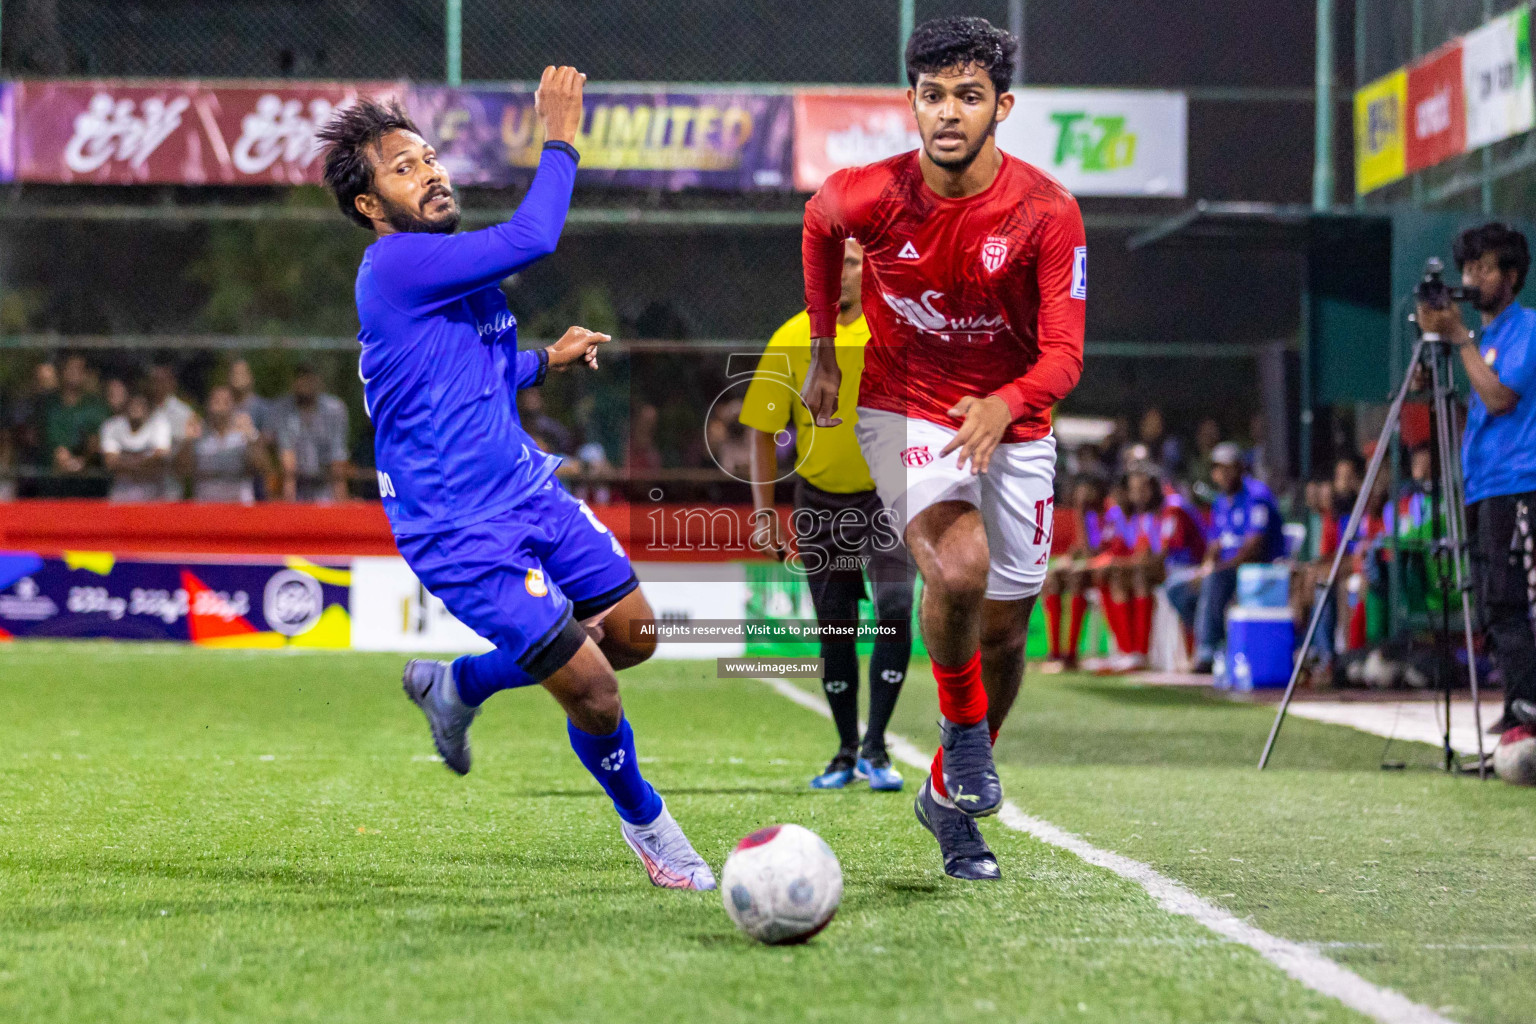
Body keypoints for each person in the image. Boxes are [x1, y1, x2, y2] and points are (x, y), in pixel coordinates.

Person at [318, 72, 714, 889]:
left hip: (530, 493)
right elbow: (536, 235)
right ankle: (652, 830)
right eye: (403, 167)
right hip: (457, 529)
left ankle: (458, 684)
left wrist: (544, 361)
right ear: (369, 204)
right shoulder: (394, 268)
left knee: (636, 635)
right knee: (596, 693)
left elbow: (474, 372)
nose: (430, 172)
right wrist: (562, 137)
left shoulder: (453, 278)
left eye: (430, 157)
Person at [801, 17, 1085, 879]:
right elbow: (818, 226)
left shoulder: (1047, 213)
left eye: (968, 96)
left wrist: (1007, 402)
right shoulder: (872, 195)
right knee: (956, 572)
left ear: (1002, 105)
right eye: (932, 96)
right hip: (902, 408)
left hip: (1016, 425)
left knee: (1004, 634)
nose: (948, 113)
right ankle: (963, 735)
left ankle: (946, 796)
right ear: (912, 103)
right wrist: (822, 350)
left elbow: (1066, 355)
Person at [739, 238, 915, 793]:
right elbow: (763, 433)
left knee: (894, 607)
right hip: (818, 502)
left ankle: (877, 747)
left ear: (871, 270)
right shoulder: (793, 338)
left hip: (889, 500)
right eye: (830, 264)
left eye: (852, 264)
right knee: (835, 631)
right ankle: (844, 750)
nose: (840, 274)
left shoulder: (898, 331)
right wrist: (765, 514)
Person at [1414, 222, 1536, 739]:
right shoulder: (1484, 339)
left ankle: (1527, 710)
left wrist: (1458, 339)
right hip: (1485, 484)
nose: (1471, 277)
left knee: (1510, 602)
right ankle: (1519, 705)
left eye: (1483, 267)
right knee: (1494, 604)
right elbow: (1477, 416)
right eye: (1467, 267)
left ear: (1511, 275)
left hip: (1519, 482)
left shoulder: (1525, 327)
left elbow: (1501, 398)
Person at [1186, 442, 1286, 673]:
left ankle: (1208, 651)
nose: (1223, 474)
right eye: (1219, 469)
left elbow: (1254, 548)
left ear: (1241, 468)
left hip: (1258, 569)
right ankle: (1220, 643)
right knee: (1178, 587)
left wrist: (1216, 568)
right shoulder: (1221, 501)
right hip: (1227, 568)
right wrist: (1206, 566)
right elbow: (1215, 543)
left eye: (1229, 468)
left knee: (1214, 580)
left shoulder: (1257, 496)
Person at [1041, 474, 1109, 673]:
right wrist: (1068, 560)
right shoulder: (1084, 515)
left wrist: (1080, 514)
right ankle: (1055, 653)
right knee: (1052, 579)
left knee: (1075, 579)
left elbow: (1093, 550)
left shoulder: (1106, 514)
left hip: (1104, 567)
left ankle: (1071, 654)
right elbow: (1079, 549)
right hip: (1090, 565)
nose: (1082, 494)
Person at [272, 363, 351, 503]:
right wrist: (289, 506)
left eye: (309, 379)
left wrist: (341, 503)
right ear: (293, 382)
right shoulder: (282, 410)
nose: (304, 383)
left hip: (325, 483)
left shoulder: (335, 409)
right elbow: (287, 456)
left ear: (318, 381)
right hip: (297, 484)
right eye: (300, 378)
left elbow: (337, 456)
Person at [181, 384, 271, 503]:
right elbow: (182, 471)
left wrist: (251, 440)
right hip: (206, 505)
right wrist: (187, 442)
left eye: (226, 402)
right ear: (208, 404)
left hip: (239, 505)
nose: (221, 407)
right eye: (216, 401)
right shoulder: (198, 434)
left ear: (234, 405)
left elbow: (264, 469)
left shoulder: (245, 432)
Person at [38, 353, 109, 498]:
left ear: (85, 374)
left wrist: (83, 460)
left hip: (89, 481)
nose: (73, 374)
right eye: (69, 369)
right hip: (53, 480)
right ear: (62, 372)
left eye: (78, 369)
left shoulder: (96, 406)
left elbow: (97, 439)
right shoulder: (48, 405)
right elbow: (48, 438)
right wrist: (62, 457)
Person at [100, 390, 171, 502]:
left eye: (140, 404)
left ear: (148, 408)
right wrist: (143, 464)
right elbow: (110, 463)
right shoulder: (112, 426)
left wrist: (127, 463)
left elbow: (160, 459)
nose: (136, 408)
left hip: (152, 494)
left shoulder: (159, 424)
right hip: (122, 493)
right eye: (132, 404)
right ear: (126, 406)